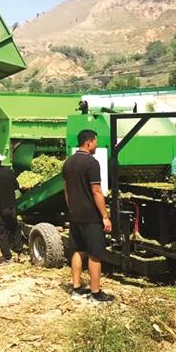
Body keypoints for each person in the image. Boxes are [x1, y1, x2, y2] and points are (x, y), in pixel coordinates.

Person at [62, 129, 114, 303]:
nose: (97, 145)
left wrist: (71, 208)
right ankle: (96, 293)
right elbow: (96, 191)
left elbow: (66, 190)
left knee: (78, 250)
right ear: (88, 142)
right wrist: (105, 216)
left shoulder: (68, 162)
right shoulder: (92, 163)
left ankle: (76, 288)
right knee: (95, 254)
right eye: (95, 141)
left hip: (75, 214)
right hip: (91, 216)